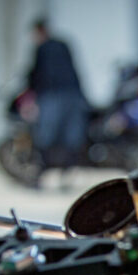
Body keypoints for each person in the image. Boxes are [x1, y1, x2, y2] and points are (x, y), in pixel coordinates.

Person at [26, 18, 88, 168]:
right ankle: (67, 170)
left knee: (47, 136)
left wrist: (30, 94)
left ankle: (42, 172)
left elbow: (36, 74)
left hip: (52, 96)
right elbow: (75, 71)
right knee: (71, 136)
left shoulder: (42, 49)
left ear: (39, 32)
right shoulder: (63, 45)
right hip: (72, 94)